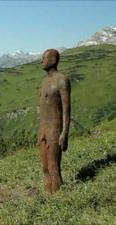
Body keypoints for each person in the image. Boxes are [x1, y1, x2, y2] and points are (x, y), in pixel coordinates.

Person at [38, 49, 71, 194]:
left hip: (55, 129)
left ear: (52, 60)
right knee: (45, 168)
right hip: (43, 130)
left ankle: (58, 199)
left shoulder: (62, 80)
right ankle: (48, 196)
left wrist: (64, 132)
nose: (41, 61)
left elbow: (66, 109)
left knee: (53, 168)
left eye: (44, 58)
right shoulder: (44, 81)